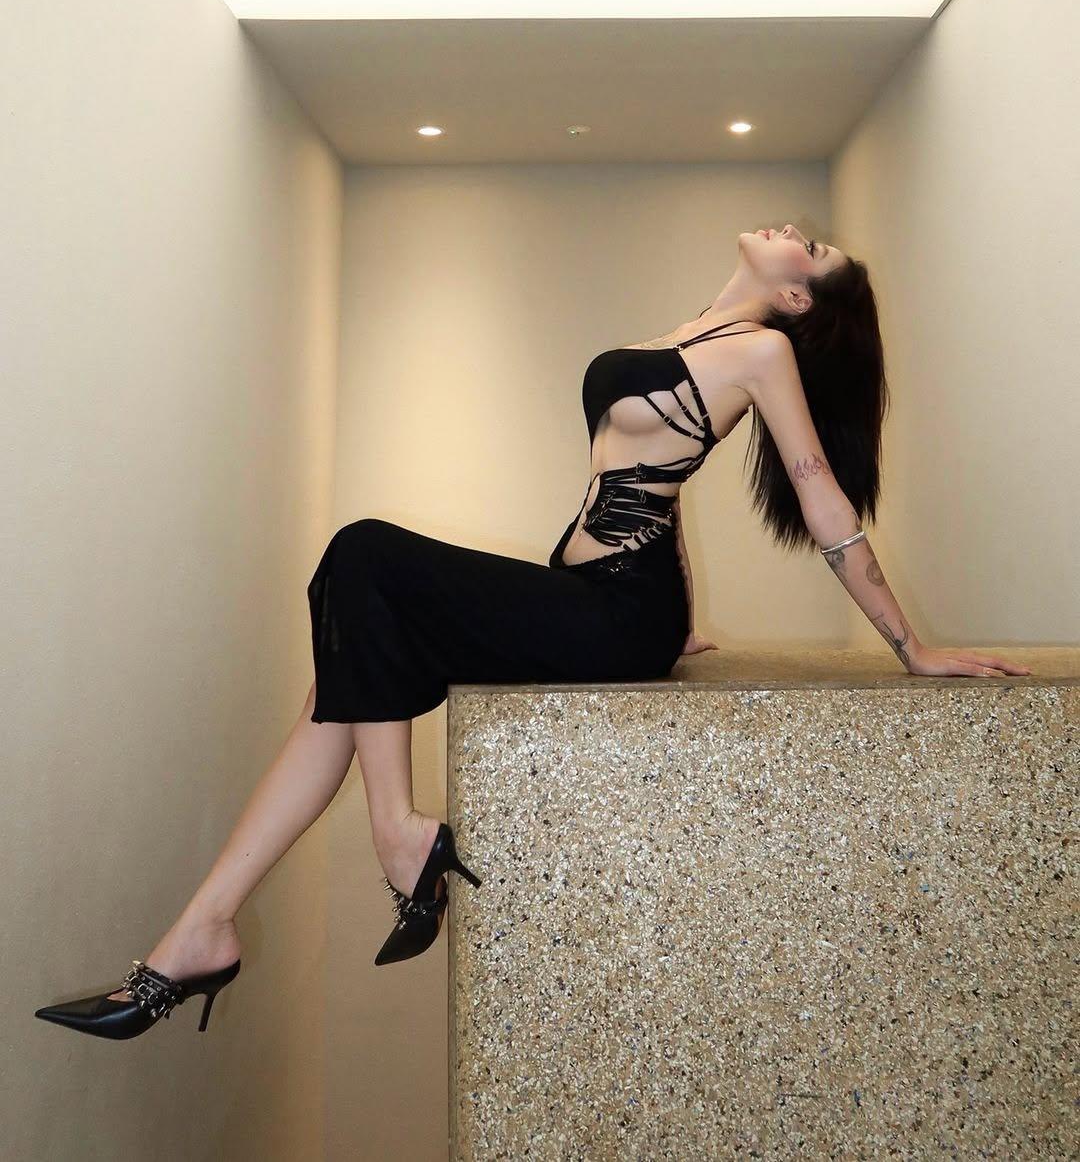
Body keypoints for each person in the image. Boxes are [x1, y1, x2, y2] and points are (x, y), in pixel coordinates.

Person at [34, 222, 1031, 1040]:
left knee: (363, 554)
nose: (792, 233)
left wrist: (910, 647)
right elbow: (653, 485)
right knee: (341, 684)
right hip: (604, 599)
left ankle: (395, 835)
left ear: (799, 299)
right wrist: (680, 618)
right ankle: (201, 931)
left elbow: (822, 499)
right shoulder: (697, 332)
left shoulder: (762, 353)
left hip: (615, 614)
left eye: (809, 249)